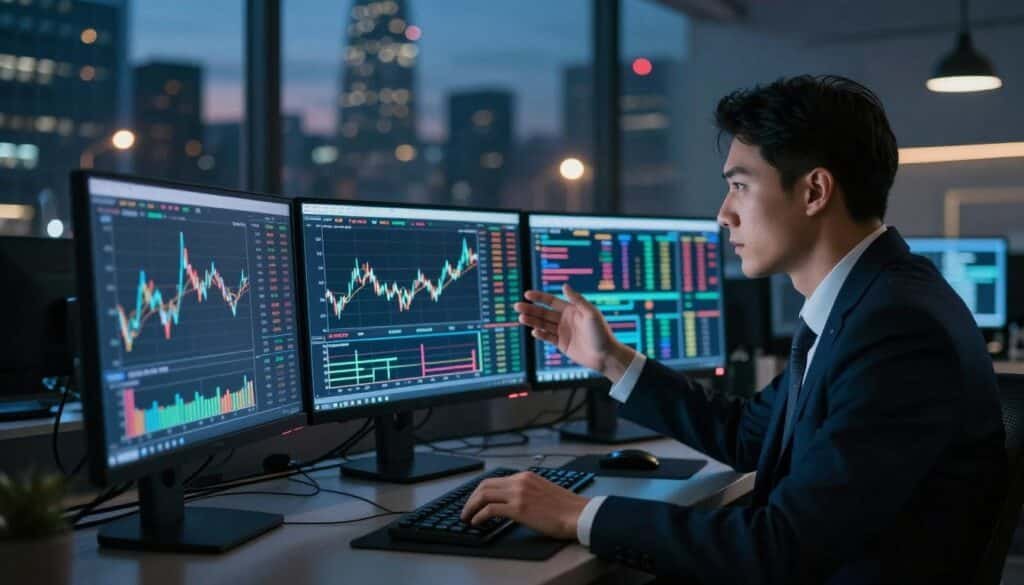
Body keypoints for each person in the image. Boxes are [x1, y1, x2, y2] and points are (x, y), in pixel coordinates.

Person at [460, 75, 1007, 583]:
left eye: (740, 186)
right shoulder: (866, 301)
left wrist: (580, 514)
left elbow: (783, 547)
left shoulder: (894, 327)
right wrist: (611, 360)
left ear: (814, 192)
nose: (723, 214)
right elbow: (753, 435)